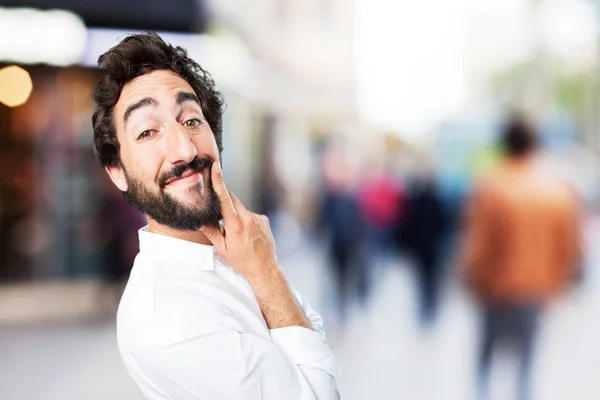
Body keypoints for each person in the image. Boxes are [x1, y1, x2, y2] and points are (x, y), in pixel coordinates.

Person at [91, 32, 340, 400]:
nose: (184, 148)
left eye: (191, 121)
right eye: (148, 131)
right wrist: (266, 272)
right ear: (118, 173)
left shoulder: (239, 249)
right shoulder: (164, 319)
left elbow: (313, 338)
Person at [463, 114, 580, 400]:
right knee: (527, 361)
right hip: (536, 290)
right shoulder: (557, 189)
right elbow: (568, 247)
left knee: (486, 356)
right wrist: (558, 285)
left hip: (495, 289)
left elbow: (478, 244)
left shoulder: (491, 186)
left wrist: (471, 279)